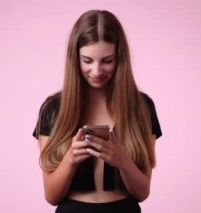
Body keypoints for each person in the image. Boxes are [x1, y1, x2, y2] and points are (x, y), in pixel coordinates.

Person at [33, 10, 162, 213]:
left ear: (120, 57)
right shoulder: (53, 109)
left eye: (107, 60)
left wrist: (122, 160)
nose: (97, 71)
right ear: (75, 59)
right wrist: (70, 159)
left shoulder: (141, 107)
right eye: (87, 61)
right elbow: (51, 196)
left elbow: (142, 193)